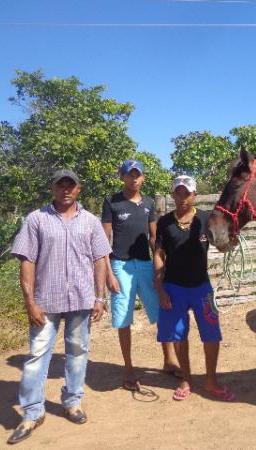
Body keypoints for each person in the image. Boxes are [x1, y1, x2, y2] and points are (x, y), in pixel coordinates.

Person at [8, 169, 112, 445]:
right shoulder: (36, 219)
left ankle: (73, 401)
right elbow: (27, 261)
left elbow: (100, 259)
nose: (66, 189)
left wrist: (100, 297)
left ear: (79, 189)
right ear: (52, 188)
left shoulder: (90, 221)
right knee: (36, 356)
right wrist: (29, 301)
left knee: (78, 351)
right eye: (60, 185)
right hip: (45, 301)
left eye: (71, 185)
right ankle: (31, 412)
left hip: (81, 299)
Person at [153, 175, 235, 402]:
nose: (182, 197)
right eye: (178, 193)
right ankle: (186, 379)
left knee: (211, 334)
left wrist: (230, 241)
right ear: (172, 195)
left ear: (194, 194)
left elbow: (222, 244)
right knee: (179, 335)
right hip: (173, 287)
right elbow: (158, 255)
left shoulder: (206, 218)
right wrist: (160, 289)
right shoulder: (164, 223)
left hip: (202, 288)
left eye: (187, 193)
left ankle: (210, 380)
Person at [101, 159, 180, 391]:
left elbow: (155, 238)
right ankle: (128, 368)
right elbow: (105, 241)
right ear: (122, 177)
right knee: (123, 318)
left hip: (145, 264)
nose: (134, 178)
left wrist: (162, 265)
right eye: (129, 174)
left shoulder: (148, 203)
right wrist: (108, 273)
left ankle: (169, 360)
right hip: (120, 265)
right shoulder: (112, 202)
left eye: (138, 174)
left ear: (143, 177)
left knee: (161, 312)